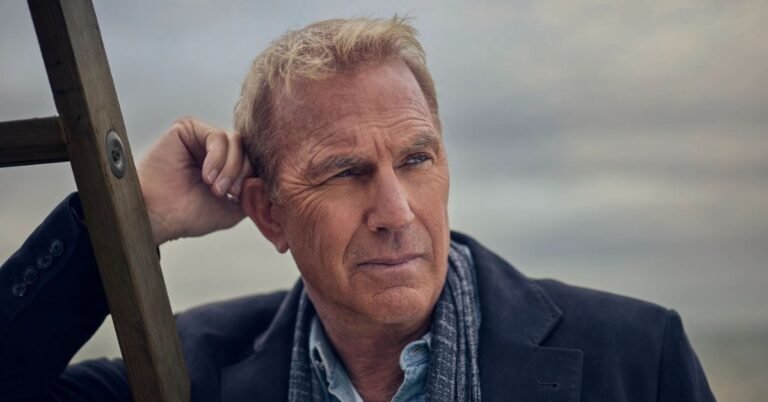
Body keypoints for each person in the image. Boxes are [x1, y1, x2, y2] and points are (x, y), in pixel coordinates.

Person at [0, 17, 714, 402]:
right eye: (345, 173)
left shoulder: (636, 358)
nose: (395, 211)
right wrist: (130, 219)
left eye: (416, 159)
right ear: (269, 215)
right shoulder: (190, 369)